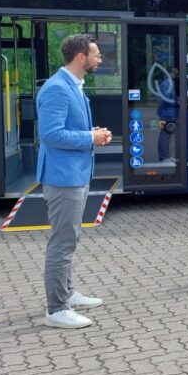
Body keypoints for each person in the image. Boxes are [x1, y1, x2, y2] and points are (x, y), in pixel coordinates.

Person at [38, 34, 112, 328]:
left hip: (74, 174)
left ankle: (66, 294)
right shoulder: (57, 88)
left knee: (70, 238)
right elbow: (51, 135)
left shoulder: (74, 86)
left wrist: (93, 133)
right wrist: (89, 137)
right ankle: (56, 309)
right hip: (63, 177)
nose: (100, 59)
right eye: (96, 54)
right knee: (62, 242)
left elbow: (68, 129)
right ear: (81, 57)